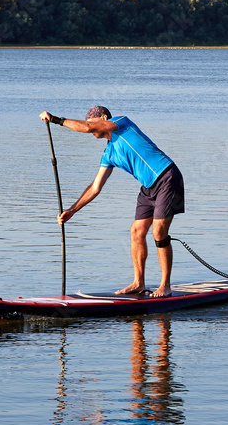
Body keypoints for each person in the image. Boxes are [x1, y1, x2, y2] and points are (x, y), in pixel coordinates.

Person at [40, 106, 185, 298]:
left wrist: (56, 120)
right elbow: (95, 187)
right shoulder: (109, 153)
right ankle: (139, 283)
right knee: (136, 231)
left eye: (91, 123)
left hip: (167, 177)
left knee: (158, 232)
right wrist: (72, 211)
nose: (89, 129)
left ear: (103, 118)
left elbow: (88, 128)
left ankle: (165, 286)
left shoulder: (121, 123)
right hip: (148, 187)